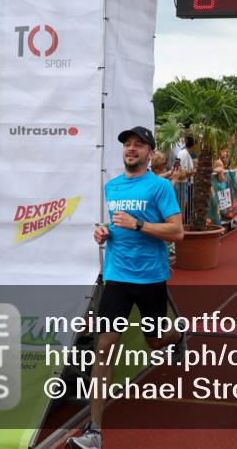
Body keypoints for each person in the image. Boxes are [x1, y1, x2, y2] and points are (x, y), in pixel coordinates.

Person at [69, 126, 185, 449]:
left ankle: (177, 334)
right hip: (117, 277)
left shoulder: (160, 187)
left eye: (139, 145)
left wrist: (140, 224)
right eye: (127, 144)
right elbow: (115, 224)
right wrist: (103, 231)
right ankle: (94, 431)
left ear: (150, 153)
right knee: (104, 349)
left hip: (150, 278)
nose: (131, 149)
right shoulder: (113, 186)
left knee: (155, 341)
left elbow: (177, 232)